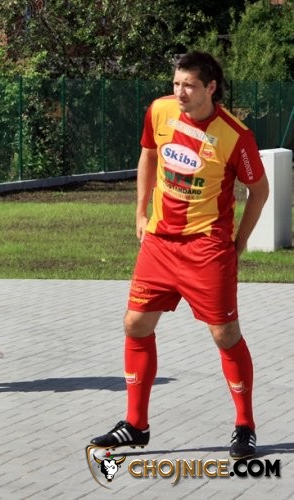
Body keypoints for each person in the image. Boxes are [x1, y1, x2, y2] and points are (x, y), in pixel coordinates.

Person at [90, 51, 269, 459]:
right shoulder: (159, 110)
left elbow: (259, 191)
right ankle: (135, 425)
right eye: (176, 83)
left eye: (189, 85)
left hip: (206, 248)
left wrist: (239, 242)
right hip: (159, 243)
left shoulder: (235, 135)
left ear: (211, 88)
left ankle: (245, 425)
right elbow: (148, 154)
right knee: (135, 324)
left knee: (225, 334)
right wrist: (140, 211)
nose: (180, 92)